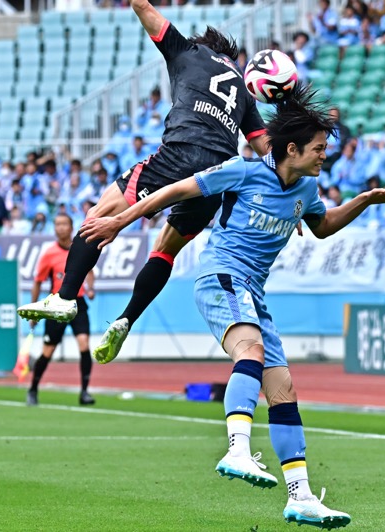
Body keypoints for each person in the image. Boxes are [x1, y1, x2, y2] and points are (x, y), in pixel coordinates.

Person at [80, 86, 385, 528]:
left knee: (283, 388)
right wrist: (120, 219)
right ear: (292, 148)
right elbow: (172, 192)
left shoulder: (306, 187)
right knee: (251, 352)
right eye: (320, 148)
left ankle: (300, 496)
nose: (326, 156)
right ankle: (237, 448)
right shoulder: (242, 171)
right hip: (221, 277)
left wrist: (363, 201)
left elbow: (321, 226)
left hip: (253, 291)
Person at [17, 2, 270, 351]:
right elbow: (266, 150)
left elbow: (141, 5)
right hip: (217, 178)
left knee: (98, 214)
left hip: (181, 152)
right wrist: (284, 197)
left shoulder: (188, 51)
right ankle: (127, 319)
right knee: (165, 251)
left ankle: (64, 296)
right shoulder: (243, 87)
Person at [26, 214, 96, 407]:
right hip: (57, 306)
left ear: (71, 227)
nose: (61, 228)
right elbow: (38, 282)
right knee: (48, 351)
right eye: (57, 224)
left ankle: (84, 392)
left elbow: (89, 271)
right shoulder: (49, 254)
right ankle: (33, 389)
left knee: (84, 344)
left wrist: (90, 288)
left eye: (64, 224)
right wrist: (35, 310)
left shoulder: (80, 249)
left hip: (78, 304)